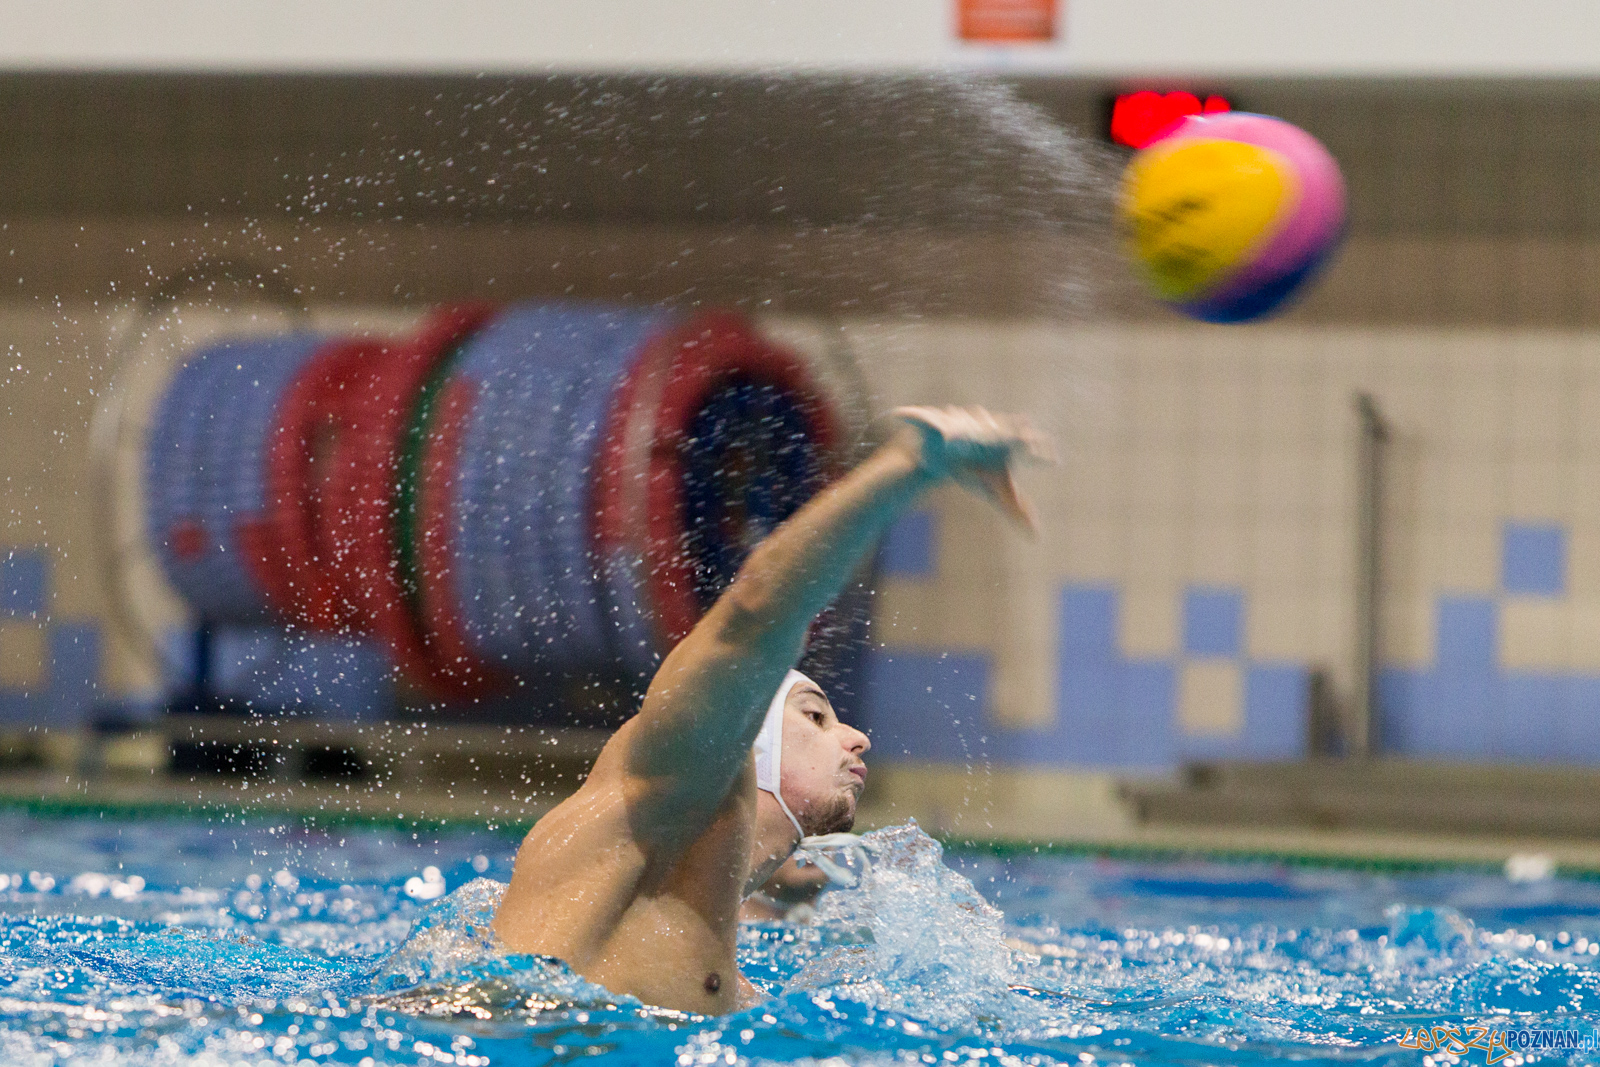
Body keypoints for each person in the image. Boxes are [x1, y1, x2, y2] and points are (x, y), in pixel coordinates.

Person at [492, 405, 1050, 1013]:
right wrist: (910, 465)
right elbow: (755, 613)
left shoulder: (728, 976)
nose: (859, 737)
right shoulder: (664, 793)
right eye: (815, 716)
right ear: (742, 738)